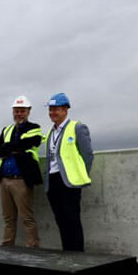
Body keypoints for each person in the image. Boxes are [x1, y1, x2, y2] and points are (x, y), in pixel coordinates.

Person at [0, 95, 43, 248]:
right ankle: (8, 247)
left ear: (28, 111)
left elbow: (28, 142)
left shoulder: (34, 128)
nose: (19, 113)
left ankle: (32, 248)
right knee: (8, 218)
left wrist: (8, 148)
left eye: (22, 111)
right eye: (16, 111)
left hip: (21, 179)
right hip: (5, 179)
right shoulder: (7, 129)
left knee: (27, 217)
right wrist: (13, 148)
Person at [44, 92, 93, 251]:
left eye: (56, 109)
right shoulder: (51, 132)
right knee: (61, 221)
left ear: (65, 110)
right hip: (53, 181)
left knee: (72, 221)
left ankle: (77, 257)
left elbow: (87, 155)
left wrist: (80, 175)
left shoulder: (77, 127)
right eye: (50, 110)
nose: (52, 113)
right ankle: (67, 255)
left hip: (69, 183)